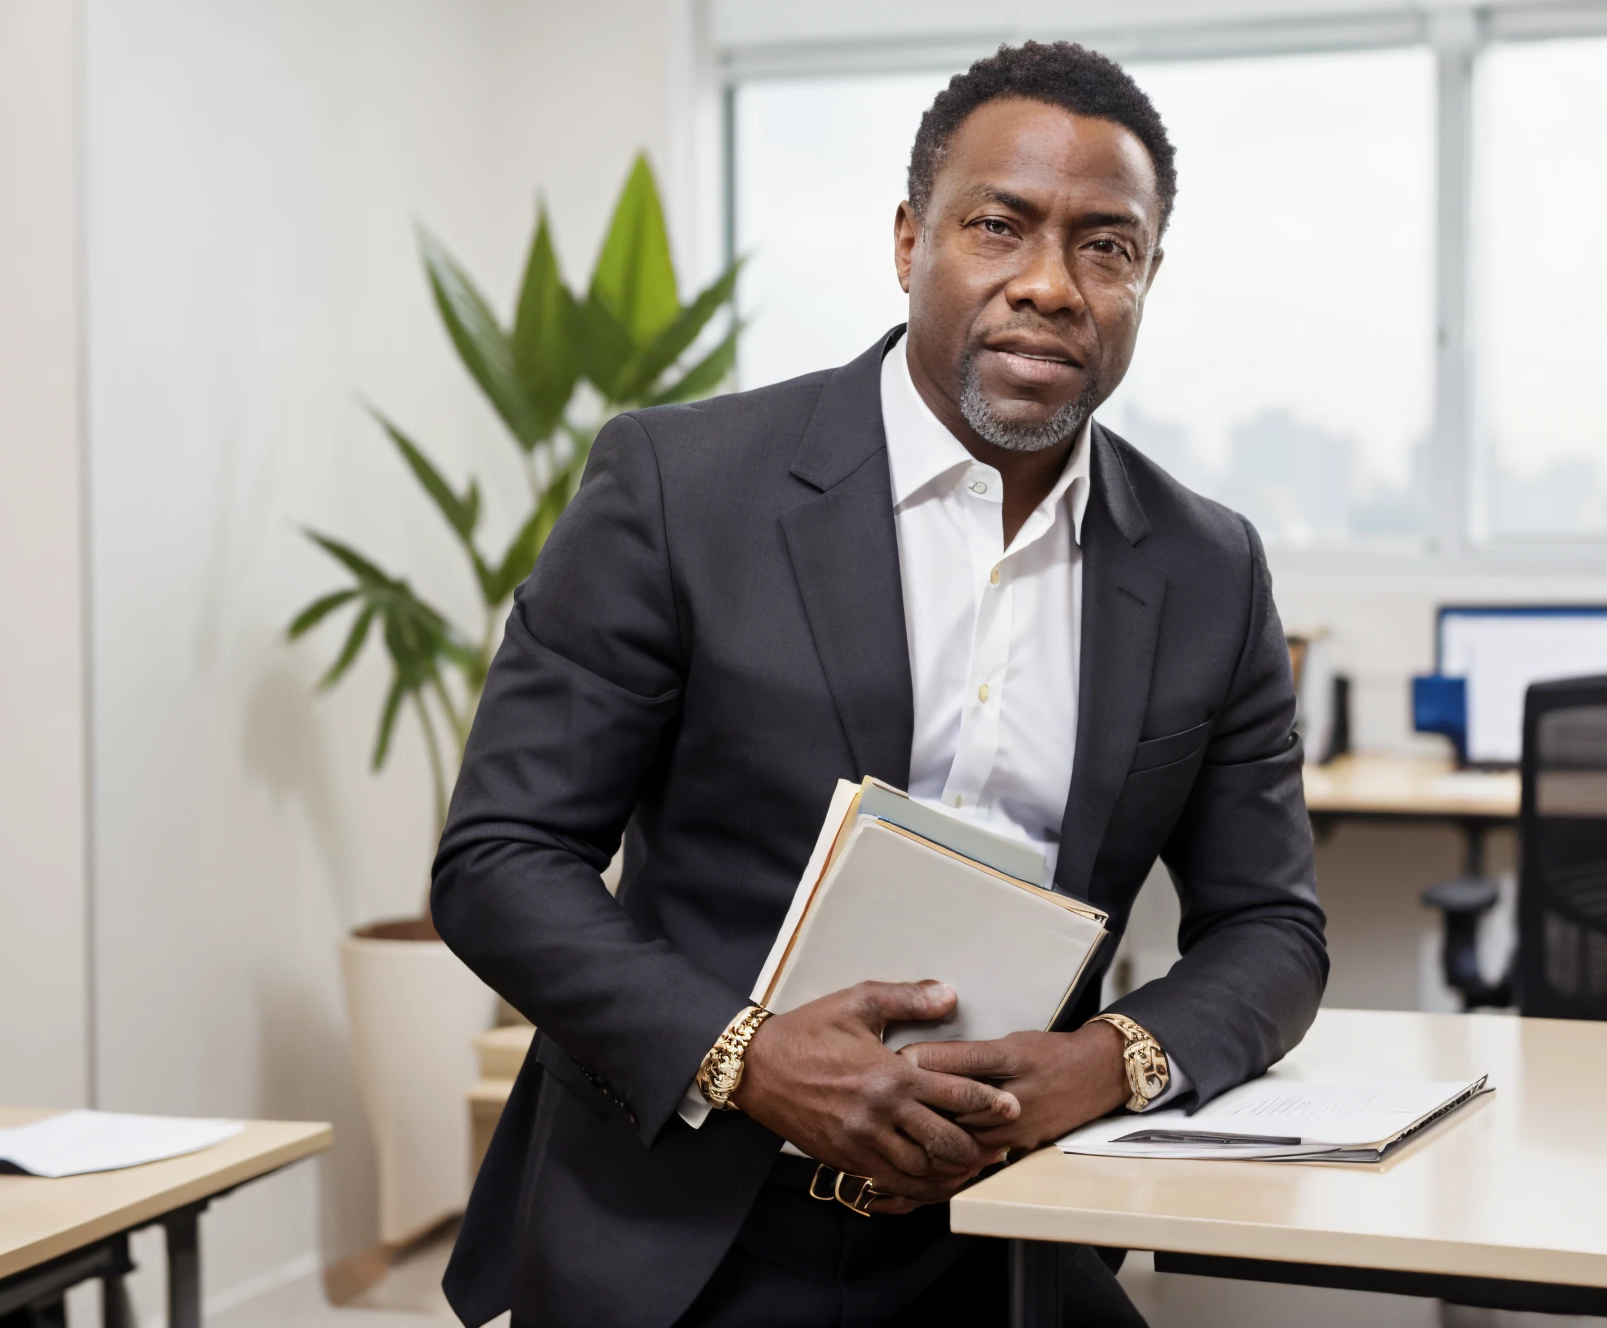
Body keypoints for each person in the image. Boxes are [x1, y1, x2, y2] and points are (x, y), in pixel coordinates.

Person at [431, 39, 1327, 1328]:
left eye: (1105, 246)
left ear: (1146, 279)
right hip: (686, 1210)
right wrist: (751, 1059)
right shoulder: (684, 488)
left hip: (1003, 1218)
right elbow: (502, 859)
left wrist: (1102, 1064)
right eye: (999, 226)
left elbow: (1272, 930)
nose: (1049, 285)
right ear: (910, 241)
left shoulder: (1207, 567)